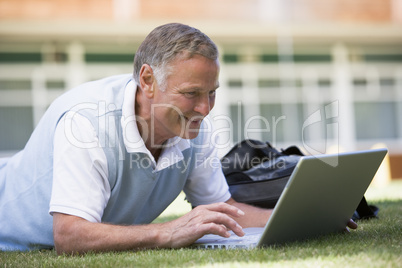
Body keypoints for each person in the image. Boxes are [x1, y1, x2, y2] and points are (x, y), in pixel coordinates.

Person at [0, 23, 357, 254]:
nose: (205, 108)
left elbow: (224, 210)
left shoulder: (191, 129)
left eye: (212, 92)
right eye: (191, 93)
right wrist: (166, 233)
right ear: (149, 81)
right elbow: (70, 237)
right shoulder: (86, 123)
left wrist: (299, 217)